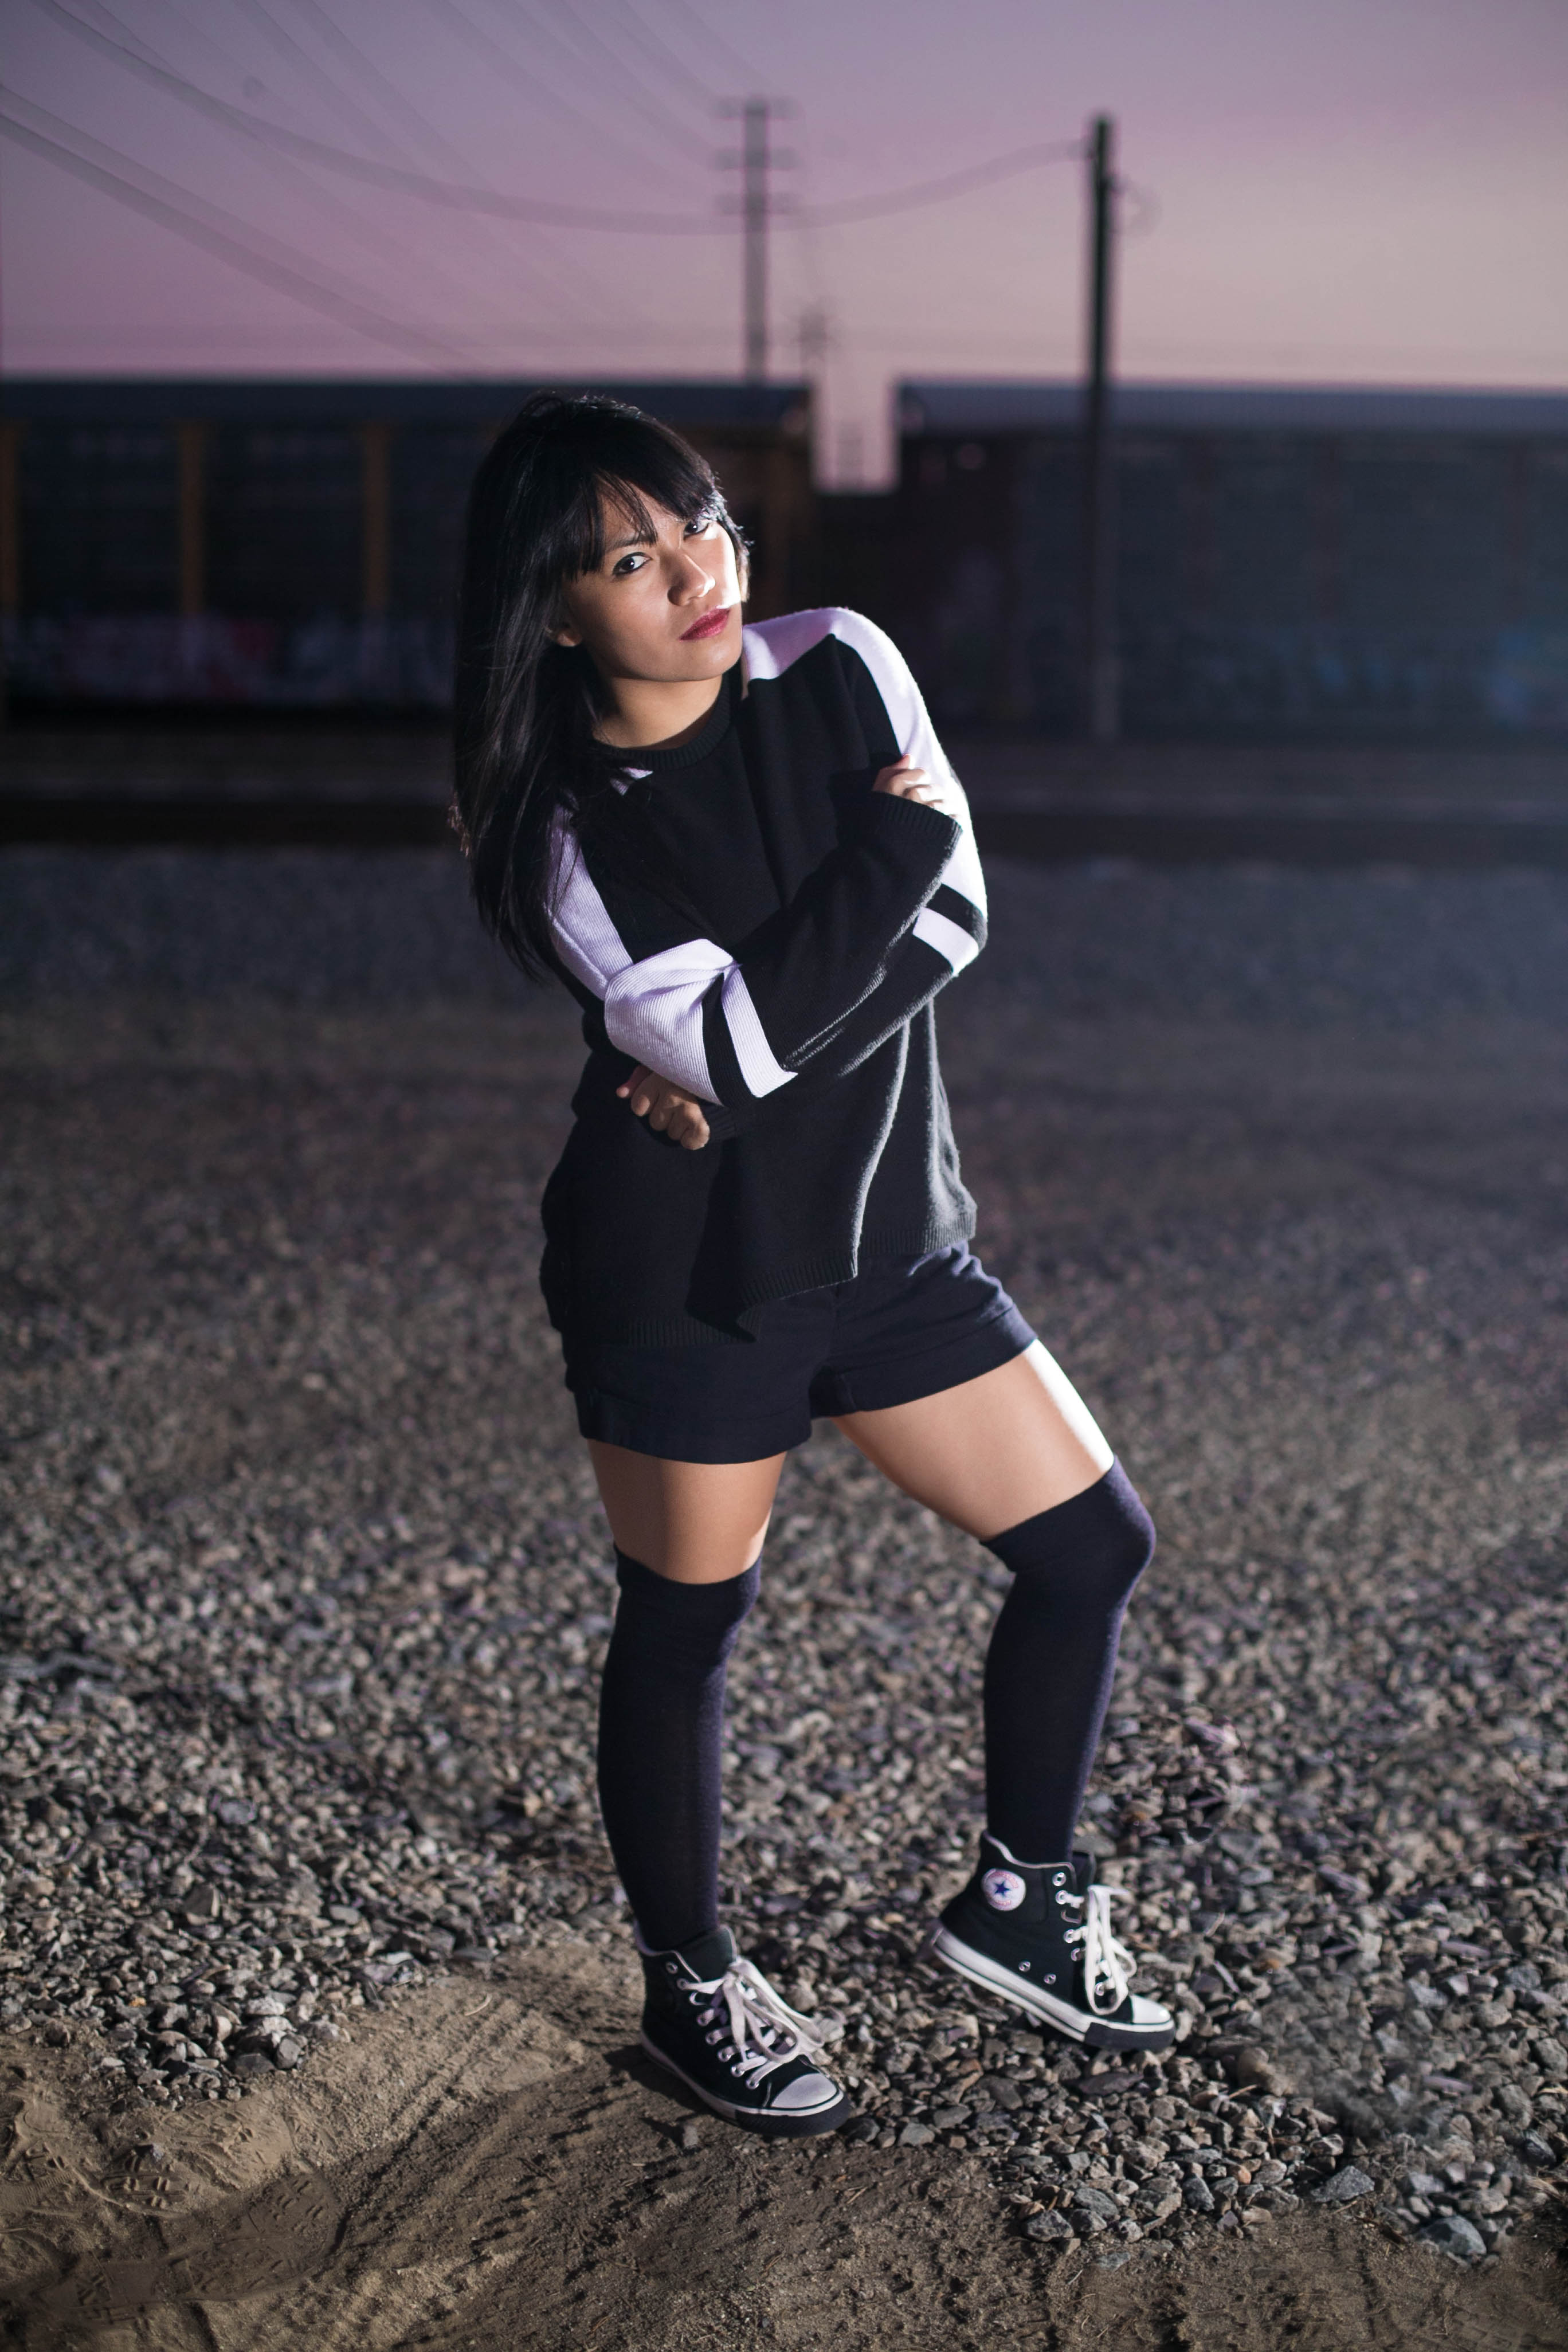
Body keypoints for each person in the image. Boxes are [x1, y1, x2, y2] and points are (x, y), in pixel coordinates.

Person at [453, 391, 1177, 2140]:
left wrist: (754, 1039)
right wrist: (878, 868)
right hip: (687, 1274)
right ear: (557, 610)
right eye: (631, 558)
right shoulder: (562, 833)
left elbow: (954, 921)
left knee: (1092, 1547)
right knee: (690, 1622)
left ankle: (1018, 1902)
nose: (696, 570)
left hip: (891, 1235)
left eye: (699, 521)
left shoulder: (841, 660)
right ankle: (690, 1981)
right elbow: (770, 1013)